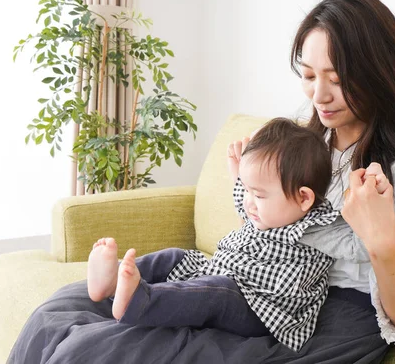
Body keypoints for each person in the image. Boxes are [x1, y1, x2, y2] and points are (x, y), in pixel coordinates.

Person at [8, 0, 395, 363]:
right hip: (252, 286)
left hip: (318, 321)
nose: (320, 95)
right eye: (309, 76)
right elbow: (268, 232)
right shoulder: (308, 148)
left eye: (337, 77)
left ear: (378, 73)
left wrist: (381, 242)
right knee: (57, 312)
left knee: (94, 348)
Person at [86, 117, 373, 352]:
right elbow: (244, 196)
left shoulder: (318, 226)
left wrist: (363, 201)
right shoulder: (261, 208)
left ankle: (140, 301)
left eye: (258, 194)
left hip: (262, 307)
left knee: (216, 295)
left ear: (304, 198)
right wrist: (240, 175)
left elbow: (359, 246)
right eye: (247, 190)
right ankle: (112, 281)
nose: (248, 201)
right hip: (223, 272)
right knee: (176, 257)